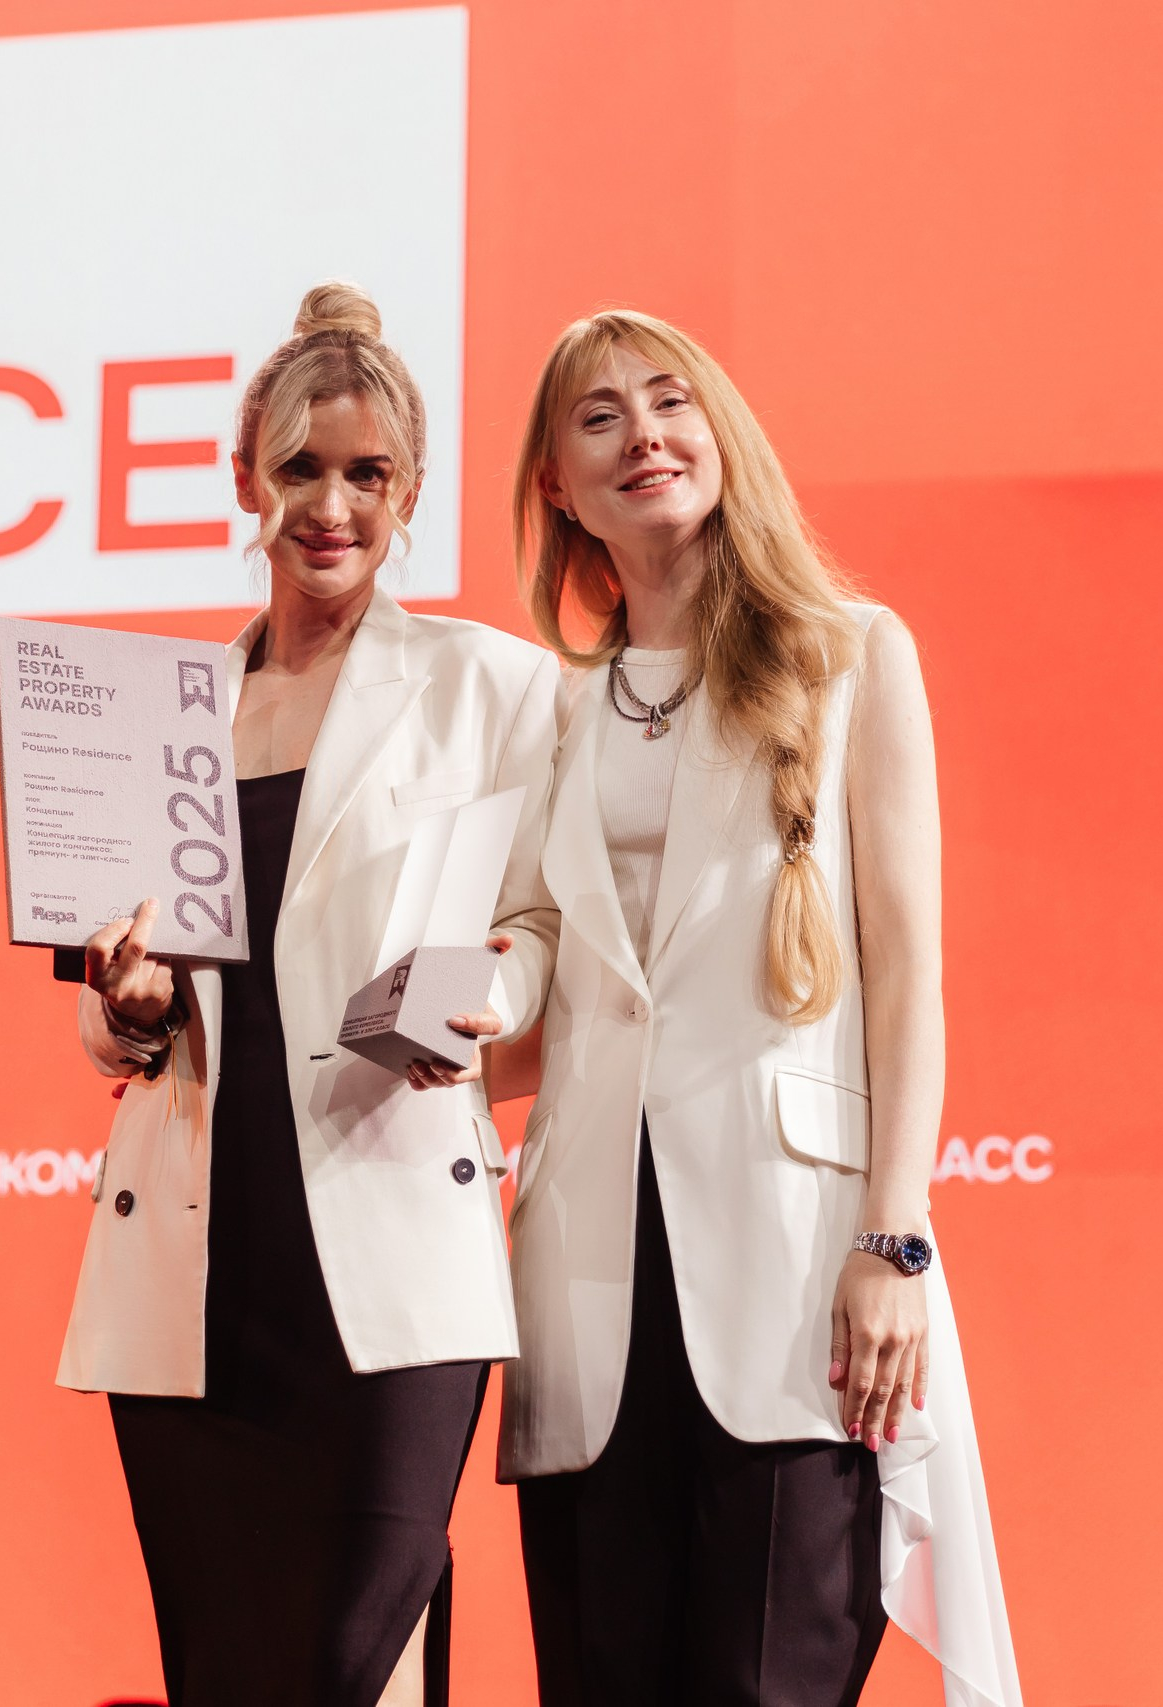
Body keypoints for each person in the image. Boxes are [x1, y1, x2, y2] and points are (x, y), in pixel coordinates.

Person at [499, 310, 1024, 1707]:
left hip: (802, 1269)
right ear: (558, 484)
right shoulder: (549, 707)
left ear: (720, 433)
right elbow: (537, 988)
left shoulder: (853, 656)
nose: (644, 436)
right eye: (599, 416)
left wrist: (894, 1238)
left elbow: (906, 975)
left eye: (671, 401)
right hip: (584, 1283)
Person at [55, 282, 560, 1707]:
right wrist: (128, 1006)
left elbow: (547, 934)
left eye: (367, 475)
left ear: (410, 491)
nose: (331, 508)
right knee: (230, 1671)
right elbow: (119, 999)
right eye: (299, 469)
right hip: (200, 1263)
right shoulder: (168, 711)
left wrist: (471, 991)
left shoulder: (493, 686)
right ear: (244, 478)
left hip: (386, 1245)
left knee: (355, 1650)